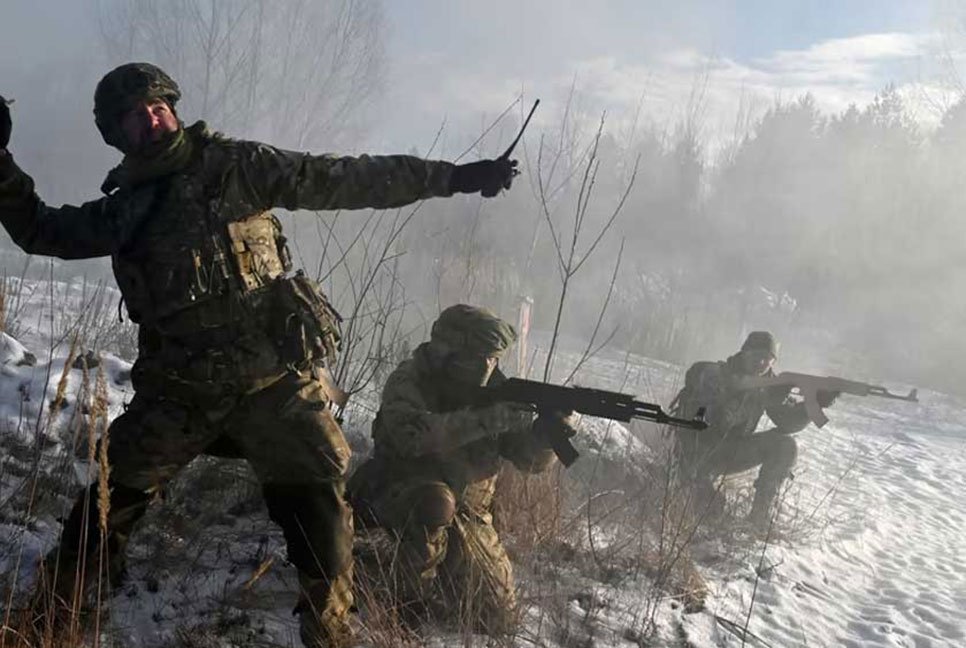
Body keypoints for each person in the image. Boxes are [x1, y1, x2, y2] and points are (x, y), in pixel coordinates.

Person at [0, 63, 517, 647]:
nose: (152, 120)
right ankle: (48, 618)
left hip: (274, 384)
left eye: (157, 108)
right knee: (108, 499)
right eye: (135, 117)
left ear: (171, 106)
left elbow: (344, 179)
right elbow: (42, 231)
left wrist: (452, 177)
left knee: (321, 508)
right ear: (118, 135)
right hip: (182, 391)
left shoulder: (236, 167)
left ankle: (328, 632)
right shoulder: (126, 208)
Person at [347, 304, 575, 634]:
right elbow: (412, 437)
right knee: (434, 503)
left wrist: (546, 438)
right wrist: (485, 420)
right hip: (398, 489)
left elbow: (529, 461)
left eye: (493, 358)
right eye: (477, 356)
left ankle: (422, 566)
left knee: (496, 618)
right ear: (446, 352)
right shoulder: (410, 379)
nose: (486, 366)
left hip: (469, 511)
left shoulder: (500, 391)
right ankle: (405, 608)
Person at [672, 331, 838, 528]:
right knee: (709, 512)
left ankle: (759, 518)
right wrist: (739, 392)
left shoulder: (769, 386)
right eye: (756, 356)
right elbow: (701, 416)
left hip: (731, 451)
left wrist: (814, 404)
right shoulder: (715, 374)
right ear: (743, 353)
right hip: (696, 451)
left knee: (784, 445)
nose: (761, 363)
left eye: (767, 359)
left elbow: (787, 424)